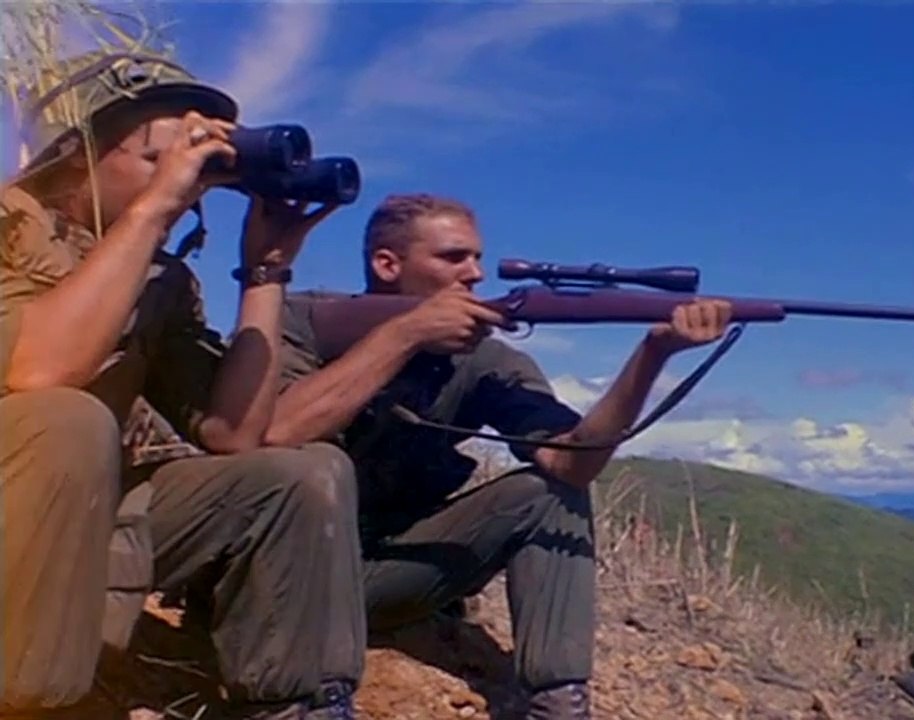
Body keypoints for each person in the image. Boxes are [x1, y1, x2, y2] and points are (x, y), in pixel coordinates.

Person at [270, 193, 734, 719]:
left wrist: (651, 356)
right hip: (286, 580)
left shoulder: (486, 360)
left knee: (549, 493)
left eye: (477, 259)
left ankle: (558, 705)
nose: (474, 274)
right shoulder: (302, 320)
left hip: (381, 580)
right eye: (452, 258)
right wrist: (406, 334)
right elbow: (277, 432)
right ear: (386, 264)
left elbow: (572, 465)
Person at [0, 49, 363, 719]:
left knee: (303, 473)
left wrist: (264, 273)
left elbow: (235, 433)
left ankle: (298, 702)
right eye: (156, 160)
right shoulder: (7, 226)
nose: (185, 182)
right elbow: (38, 372)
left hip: (85, 516)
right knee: (69, 421)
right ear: (75, 154)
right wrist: (154, 211)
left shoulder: (157, 277)